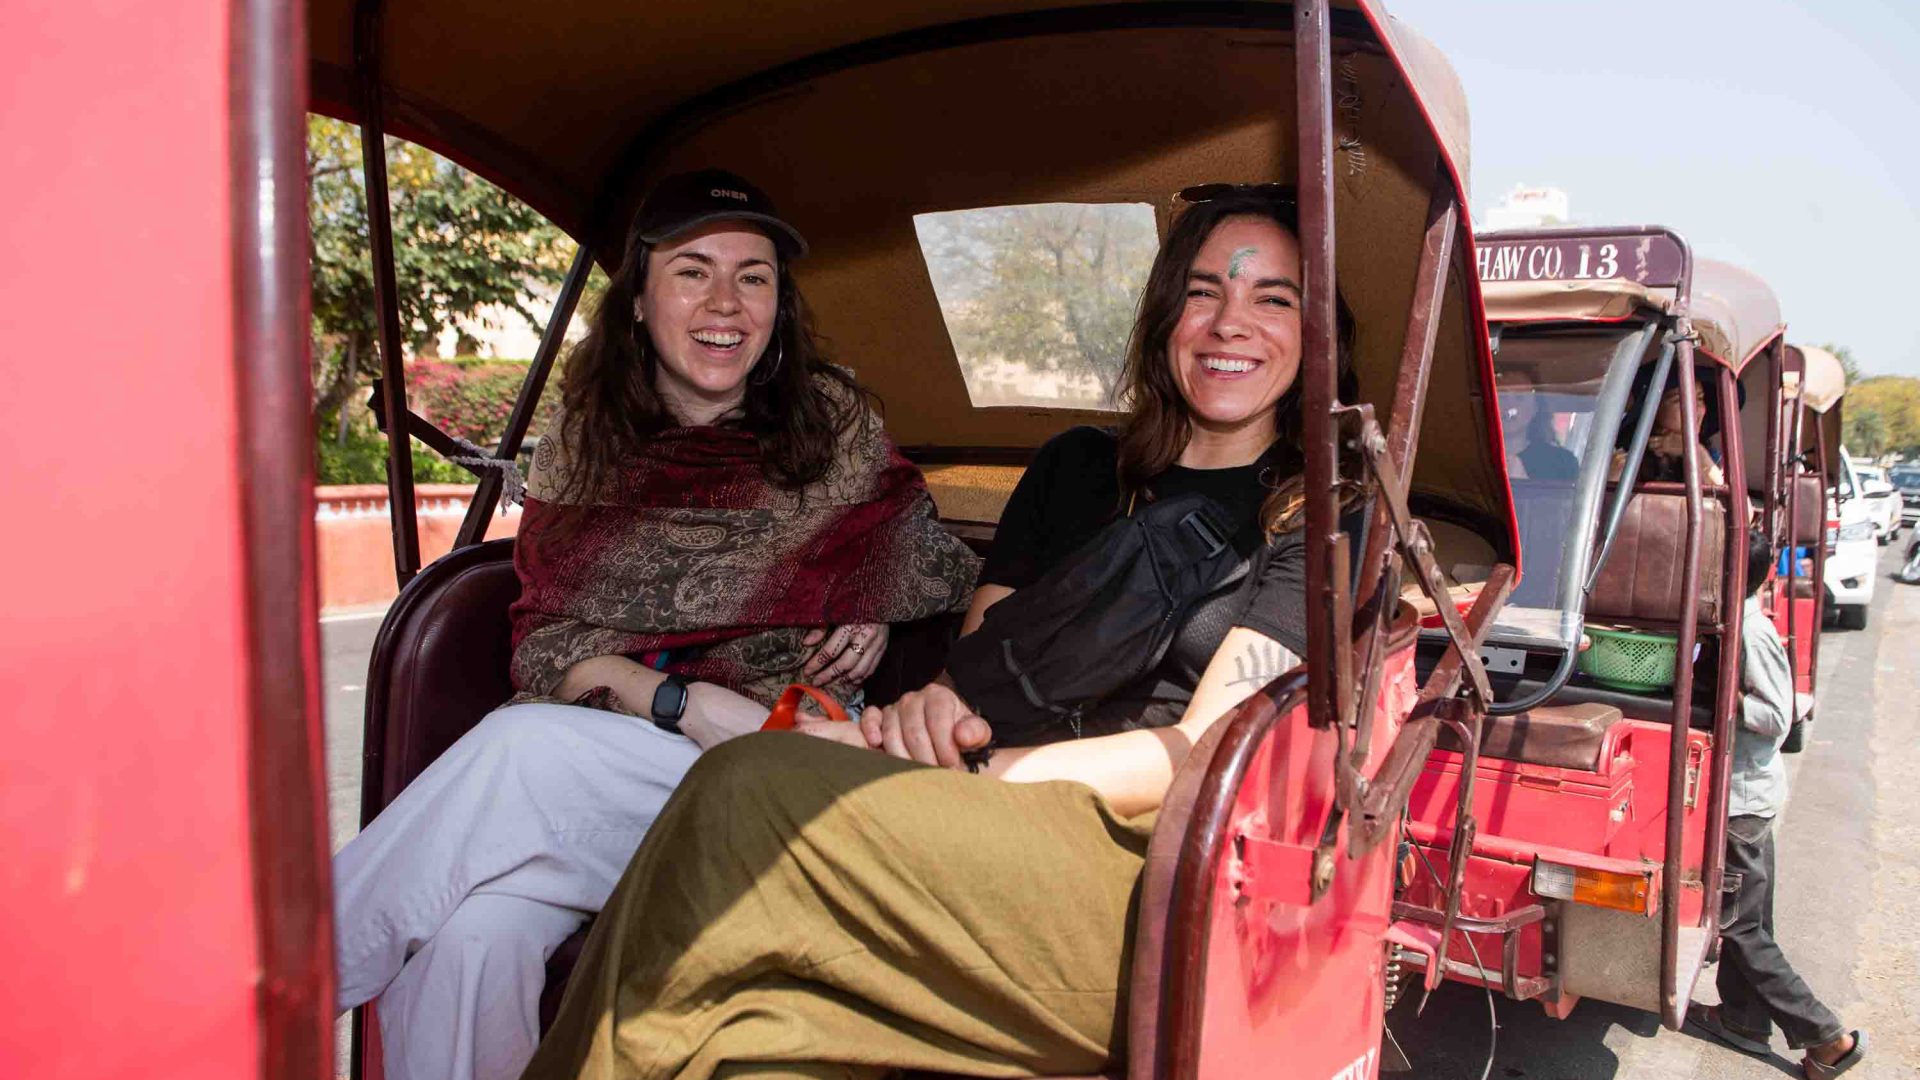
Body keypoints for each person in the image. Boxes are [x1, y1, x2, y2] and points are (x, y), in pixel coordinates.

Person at [521, 184, 1354, 1080]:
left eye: (1274, 298)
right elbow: (978, 671)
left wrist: (968, 772)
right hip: (967, 821)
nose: (1232, 322)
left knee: (744, 782)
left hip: (1135, 877)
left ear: (1317, 338)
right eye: (1203, 292)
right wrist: (919, 728)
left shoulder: (1315, 521)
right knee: (753, 1042)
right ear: (1164, 317)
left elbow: (1202, 750)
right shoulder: (1074, 469)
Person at [330, 169, 979, 1080]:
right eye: (693, 271)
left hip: (784, 759)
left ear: (777, 304)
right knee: (472, 937)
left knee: (521, 749)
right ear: (638, 299)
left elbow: (929, 555)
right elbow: (547, 648)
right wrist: (676, 700)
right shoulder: (584, 443)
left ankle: (259, 996)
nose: (727, 303)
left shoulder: (834, 427)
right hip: (618, 769)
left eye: (754, 276)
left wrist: (864, 589)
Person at [1687, 528, 1866, 1078]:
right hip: (1751, 795)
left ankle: (1826, 1038)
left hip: (1743, 799)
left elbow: (1776, 715)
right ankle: (1742, 1018)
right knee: (1753, 918)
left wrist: (1725, 695)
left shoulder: (1750, 633)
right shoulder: (1737, 624)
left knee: (1738, 927)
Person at [1611, 364, 1726, 486]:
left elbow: (1726, 499)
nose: (1695, 408)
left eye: (1700, 398)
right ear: (1654, 409)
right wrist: (1612, 476)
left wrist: (1694, 450)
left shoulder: (1709, 454)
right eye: (1680, 399)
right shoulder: (1626, 457)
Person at [1494, 365, 1578, 481]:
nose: (1509, 407)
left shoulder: (1561, 463)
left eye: (1519, 398)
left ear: (1534, 408)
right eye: (1502, 397)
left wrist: (1522, 481)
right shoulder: (1469, 457)